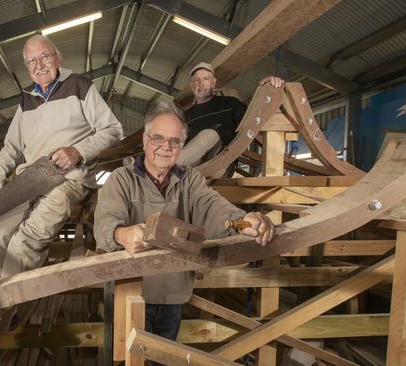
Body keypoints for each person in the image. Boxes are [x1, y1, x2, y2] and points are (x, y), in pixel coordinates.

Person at [94, 101, 274, 350]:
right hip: (129, 291)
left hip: (172, 292)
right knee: (127, 356)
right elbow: (105, 224)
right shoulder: (121, 180)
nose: (165, 148)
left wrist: (243, 220)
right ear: (145, 140)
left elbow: (212, 206)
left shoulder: (190, 180)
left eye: (175, 141)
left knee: (166, 356)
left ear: (181, 146)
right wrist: (122, 234)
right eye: (158, 138)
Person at [0, 34, 123, 281]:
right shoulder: (26, 100)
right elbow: (11, 147)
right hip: (29, 180)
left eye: (44, 56)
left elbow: (113, 129)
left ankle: (3, 315)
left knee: (24, 242)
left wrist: (77, 152)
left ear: (58, 57)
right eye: (31, 61)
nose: (39, 65)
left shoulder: (79, 85)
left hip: (67, 179)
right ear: (27, 67)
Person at [178, 61, 285, 173]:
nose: (201, 83)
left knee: (210, 134)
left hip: (220, 165)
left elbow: (255, 120)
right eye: (197, 80)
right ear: (192, 85)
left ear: (214, 82)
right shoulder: (186, 116)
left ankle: (163, 170)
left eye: (206, 79)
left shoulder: (230, 104)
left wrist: (268, 86)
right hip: (190, 166)